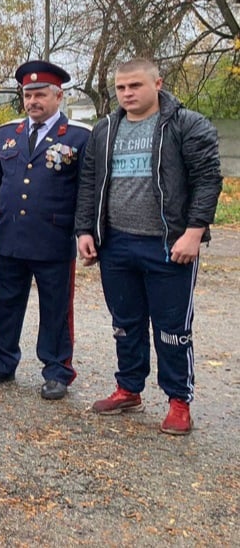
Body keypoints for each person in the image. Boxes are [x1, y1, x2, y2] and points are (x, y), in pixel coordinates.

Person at [75, 58, 221, 435]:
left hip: (168, 244)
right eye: (121, 88)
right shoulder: (104, 130)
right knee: (125, 324)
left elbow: (207, 179)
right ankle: (129, 387)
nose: (127, 94)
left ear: (157, 83)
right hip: (117, 245)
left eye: (135, 86)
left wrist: (194, 232)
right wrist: (85, 231)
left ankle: (178, 401)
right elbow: (90, 182)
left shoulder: (185, 124)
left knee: (173, 328)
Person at [0, 61, 91, 400]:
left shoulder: (80, 136)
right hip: (9, 235)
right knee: (6, 303)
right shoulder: (10, 133)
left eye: (40, 94)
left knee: (55, 309)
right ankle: (2, 361)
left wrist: (85, 232)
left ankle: (57, 370)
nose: (33, 101)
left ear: (58, 96)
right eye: (28, 94)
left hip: (53, 239)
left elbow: (86, 190)